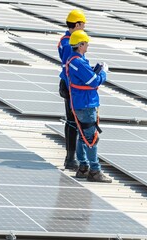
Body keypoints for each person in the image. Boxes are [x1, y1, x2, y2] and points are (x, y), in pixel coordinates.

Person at [65, 30, 112, 183]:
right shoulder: (78, 62)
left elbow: (84, 77)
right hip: (86, 104)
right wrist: (103, 72)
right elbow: (93, 81)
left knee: (82, 136)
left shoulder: (73, 60)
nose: (88, 46)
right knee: (91, 138)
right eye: (86, 44)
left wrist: (93, 70)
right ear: (81, 44)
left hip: (79, 103)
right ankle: (95, 170)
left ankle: (83, 167)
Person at [58, 9, 87, 170]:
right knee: (72, 121)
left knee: (72, 121)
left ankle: (72, 157)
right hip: (70, 85)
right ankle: (70, 158)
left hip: (67, 83)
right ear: (76, 24)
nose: (84, 27)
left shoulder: (65, 40)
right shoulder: (69, 43)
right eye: (82, 25)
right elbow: (72, 66)